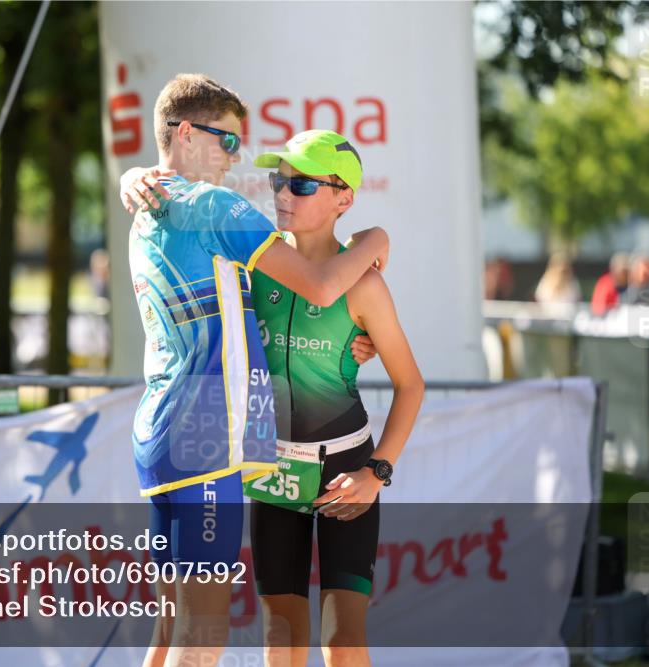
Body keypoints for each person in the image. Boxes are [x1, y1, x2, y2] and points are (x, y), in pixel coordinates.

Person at [121, 74, 388, 667]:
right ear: (186, 134)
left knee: (168, 630)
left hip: (160, 434)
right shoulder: (213, 205)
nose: (236, 160)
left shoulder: (146, 206)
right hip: (206, 436)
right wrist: (372, 239)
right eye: (229, 142)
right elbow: (319, 286)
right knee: (203, 634)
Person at [244, 130, 424, 667]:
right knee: (281, 639)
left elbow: (411, 384)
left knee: (342, 644)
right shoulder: (255, 266)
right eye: (279, 181)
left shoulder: (365, 286)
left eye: (300, 184)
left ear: (343, 197)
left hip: (345, 467)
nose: (282, 194)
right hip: (273, 467)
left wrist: (377, 472)